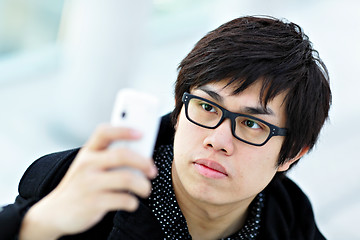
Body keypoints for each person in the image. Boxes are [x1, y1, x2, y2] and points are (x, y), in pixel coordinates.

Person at [0, 15, 331, 240]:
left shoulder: (290, 220)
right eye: (206, 106)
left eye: (250, 124)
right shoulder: (79, 187)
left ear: (291, 154)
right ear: (178, 108)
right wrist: (38, 225)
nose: (218, 140)